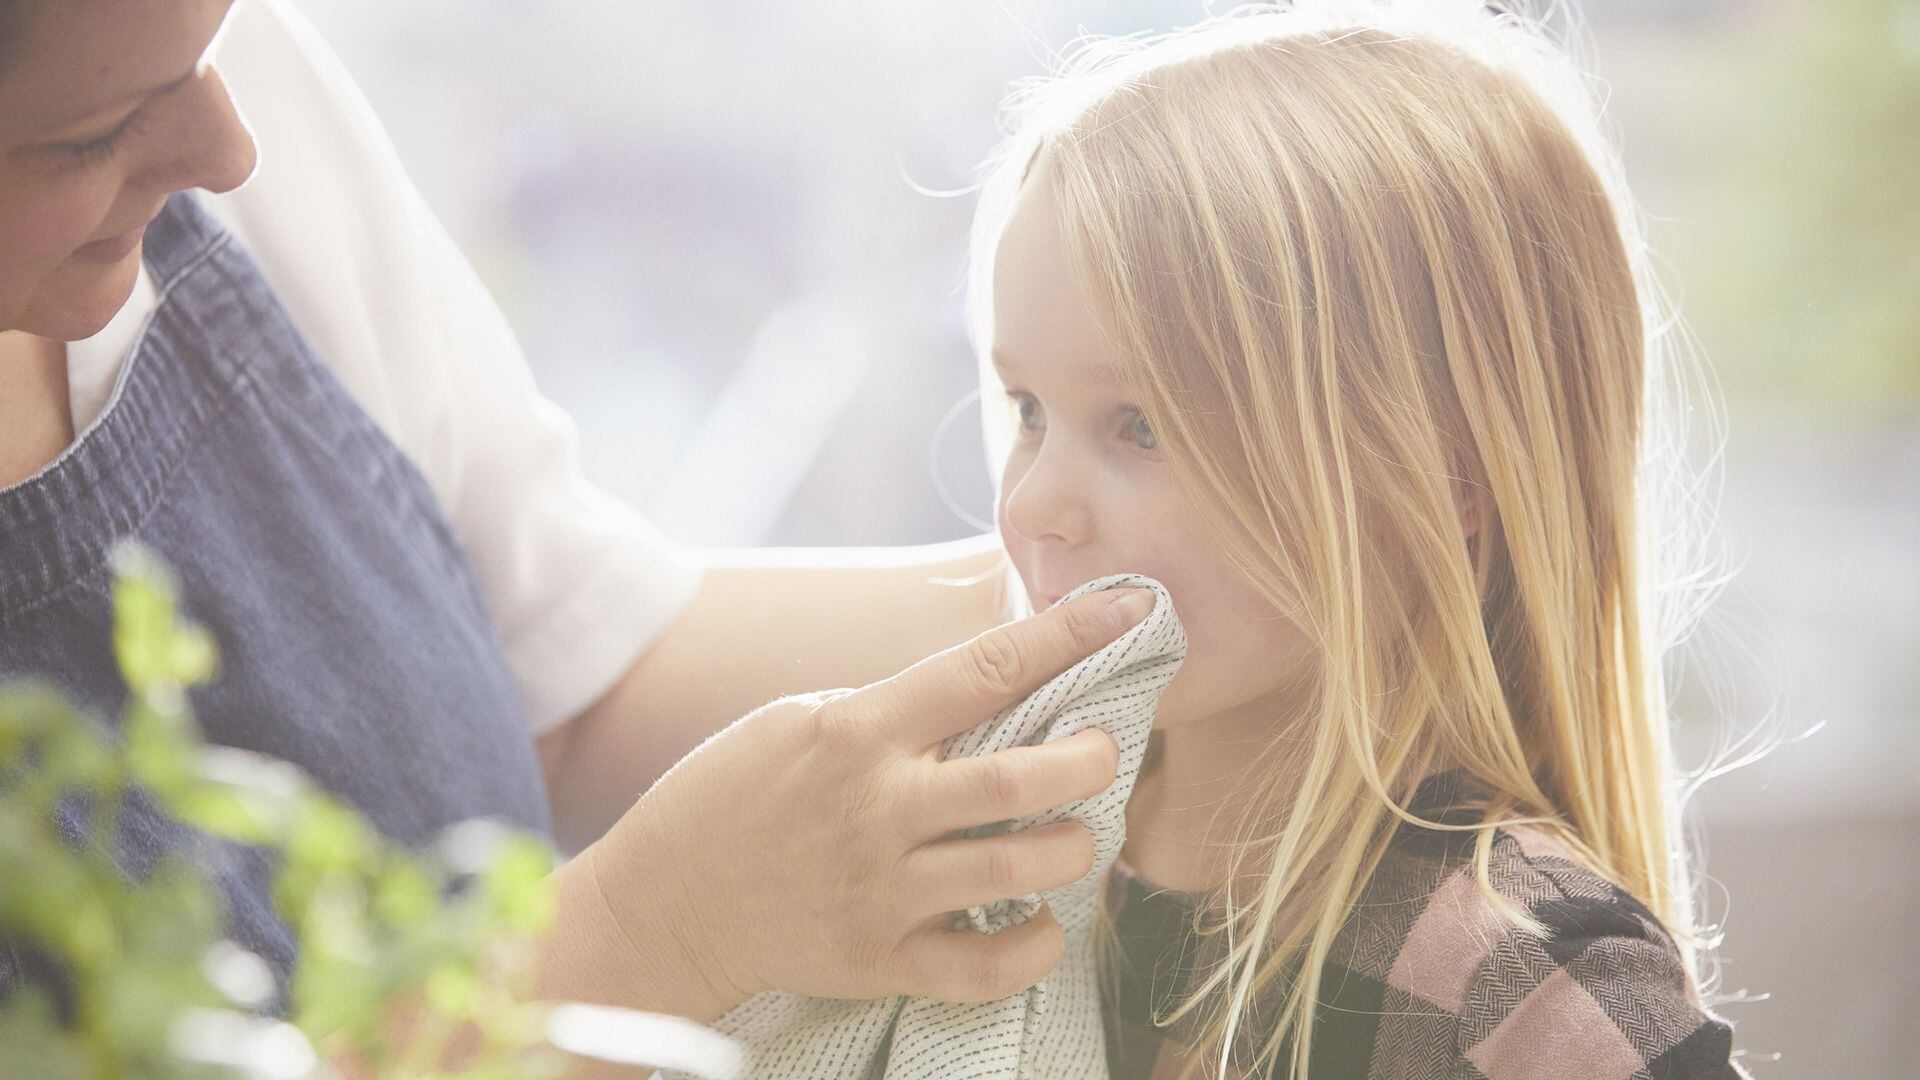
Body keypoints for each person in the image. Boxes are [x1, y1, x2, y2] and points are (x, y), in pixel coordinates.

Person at [0, 0, 1141, 1069]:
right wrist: (650, 928)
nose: (224, 145)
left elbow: (573, 672)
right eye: (92, 136)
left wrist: (1134, 582)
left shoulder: (231, 76)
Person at [960, 1, 1750, 1076]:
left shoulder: (1527, 987)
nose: (1032, 505)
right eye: (1026, 410)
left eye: (1142, 425)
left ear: (1447, 476)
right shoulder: (1002, 861)